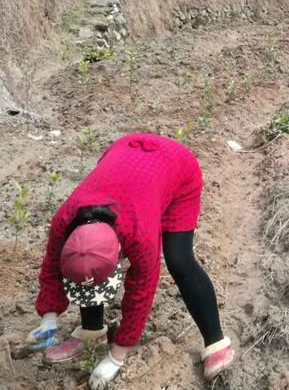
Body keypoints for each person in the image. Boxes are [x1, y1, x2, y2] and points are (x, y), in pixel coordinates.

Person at [26, 134, 234, 389]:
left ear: (120, 256)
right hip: (126, 151)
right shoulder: (65, 219)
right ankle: (92, 331)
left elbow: (141, 293)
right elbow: (50, 268)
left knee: (179, 260)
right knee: (86, 265)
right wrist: (48, 319)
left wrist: (117, 357)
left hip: (176, 167)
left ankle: (216, 342)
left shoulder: (140, 235)